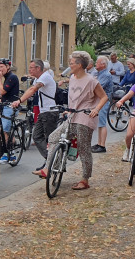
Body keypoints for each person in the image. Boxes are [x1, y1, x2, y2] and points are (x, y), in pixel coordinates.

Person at [41, 50, 108, 190]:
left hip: (85, 117)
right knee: (54, 137)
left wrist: (96, 109)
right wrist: (69, 109)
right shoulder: (72, 78)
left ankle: (85, 179)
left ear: (79, 65)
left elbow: (104, 97)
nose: (69, 65)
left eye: (71, 63)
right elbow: (74, 98)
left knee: (84, 149)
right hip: (72, 116)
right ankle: (50, 168)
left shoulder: (91, 81)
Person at [12, 58, 58, 175]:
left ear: (38, 68)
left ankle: (51, 163)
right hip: (44, 112)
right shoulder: (38, 78)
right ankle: (50, 160)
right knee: (37, 137)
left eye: (31, 68)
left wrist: (20, 100)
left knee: (50, 140)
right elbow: (31, 88)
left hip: (50, 112)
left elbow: (33, 89)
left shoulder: (45, 77)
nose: (29, 70)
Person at [0, 58, 20, 163]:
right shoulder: (7, 77)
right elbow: (1, 94)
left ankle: (10, 154)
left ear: (8, 67)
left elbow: (2, 91)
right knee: (3, 131)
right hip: (4, 105)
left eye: (1, 67)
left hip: (10, 107)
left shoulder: (12, 77)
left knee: (5, 131)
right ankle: (7, 152)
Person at [91, 56, 114, 153]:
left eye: (97, 62)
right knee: (100, 123)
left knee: (102, 123)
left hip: (104, 100)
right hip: (100, 100)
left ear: (103, 64)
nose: (96, 64)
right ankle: (99, 143)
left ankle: (102, 145)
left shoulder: (106, 75)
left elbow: (98, 87)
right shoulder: (100, 73)